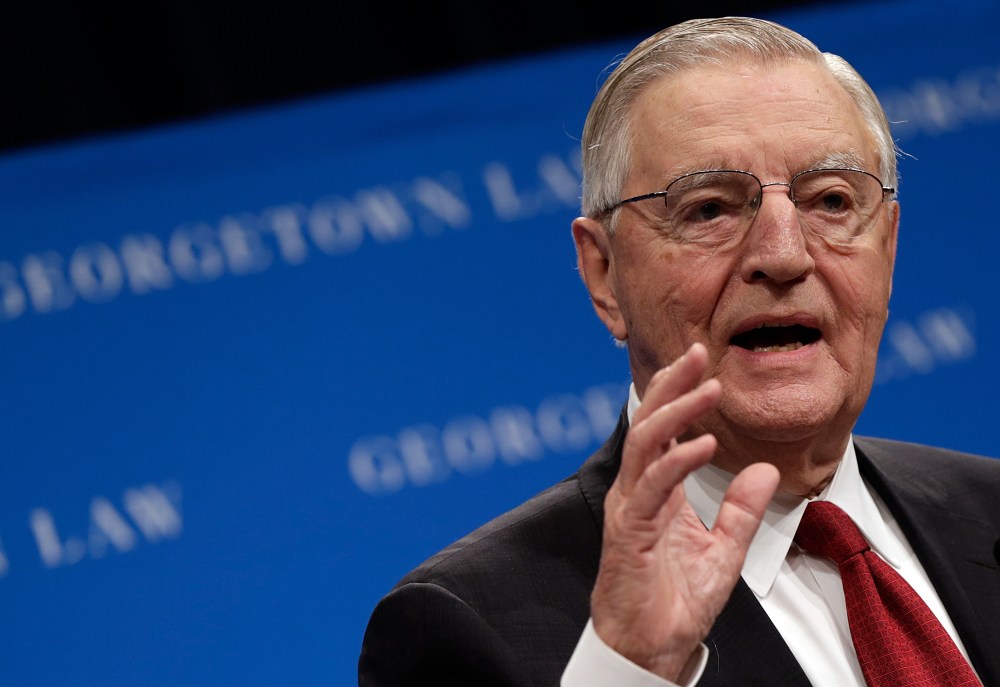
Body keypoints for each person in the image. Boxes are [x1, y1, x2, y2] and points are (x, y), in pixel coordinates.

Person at [358, 16, 1000, 687]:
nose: (783, 255)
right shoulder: (467, 626)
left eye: (832, 201)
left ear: (888, 248)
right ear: (604, 273)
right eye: (709, 210)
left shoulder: (989, 508)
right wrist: (632, 670)